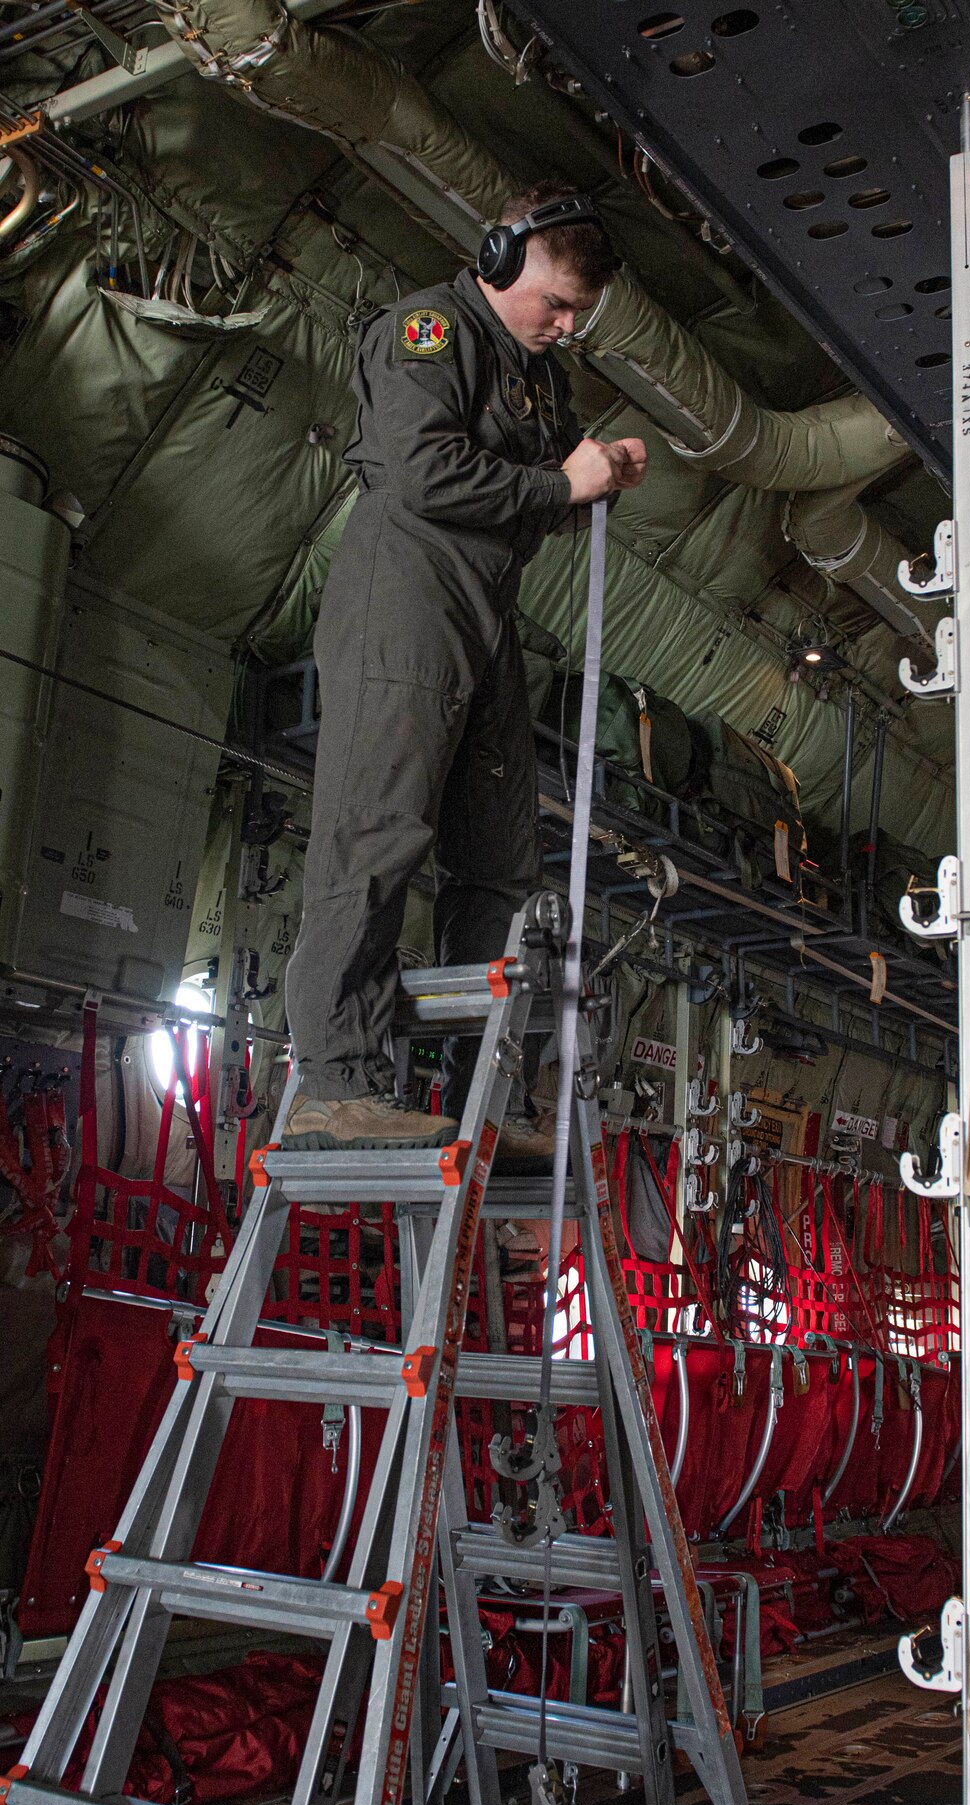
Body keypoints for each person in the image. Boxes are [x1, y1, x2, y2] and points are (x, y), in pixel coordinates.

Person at [282, 186, 647, 1149]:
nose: (564, 328)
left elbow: (536, 490)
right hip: (404, 598)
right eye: (555, 305)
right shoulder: (428, 330)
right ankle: (336, 1082)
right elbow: (423, 471)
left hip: (486, 616)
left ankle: (483, 1095)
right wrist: (557, 484)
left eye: (579, 315)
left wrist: (594, 478)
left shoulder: (535, 373)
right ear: (496, 261)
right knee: (377, 831)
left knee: (499, 862)